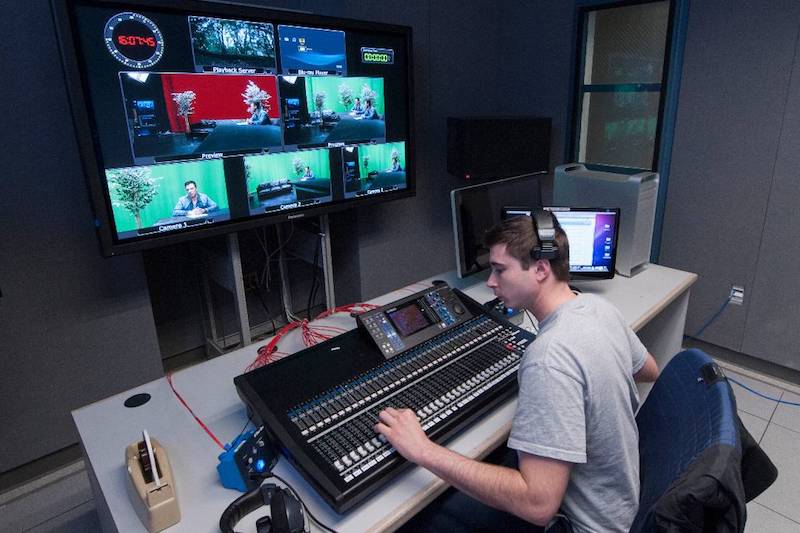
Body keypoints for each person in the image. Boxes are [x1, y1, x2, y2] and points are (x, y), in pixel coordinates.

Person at [375, 213, 660, 532]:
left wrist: (422, 449)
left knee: (419, 516)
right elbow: (650, 370)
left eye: (500, 270)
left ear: (541, 269)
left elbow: (538, 506)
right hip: (621, 503)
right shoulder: (599, 309)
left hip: (582, 524)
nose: (490, 282)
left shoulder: (549, 357)